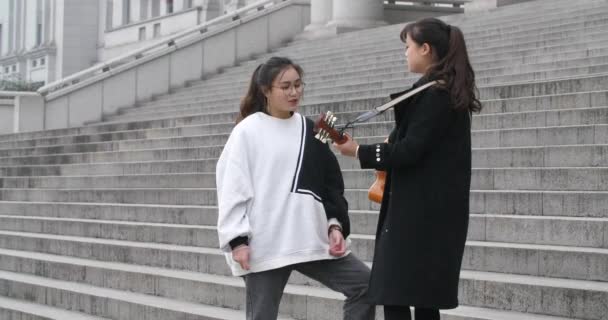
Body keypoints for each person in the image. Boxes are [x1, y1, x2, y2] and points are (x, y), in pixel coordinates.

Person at [333, 18, 482, 320]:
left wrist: (359, 151)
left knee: (396, 295)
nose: (405, 53)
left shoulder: (435, 95)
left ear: (426, 49)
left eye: (408, 47)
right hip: (428, 215)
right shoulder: (441, 92)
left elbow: (410, 151)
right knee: (420, 299)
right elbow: (417, 147)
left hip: (418, 218)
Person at [216, 56, 375, 320]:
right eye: (286, 86)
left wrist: (335, 225)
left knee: (365, 285)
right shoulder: (246, 131)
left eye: (298, 85)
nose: (294, 92)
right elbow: (231, 186)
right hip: (266, 243)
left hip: (310, 237)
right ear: (266, 90)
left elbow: (330, 184)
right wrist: (237, 240)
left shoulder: (314, 130)